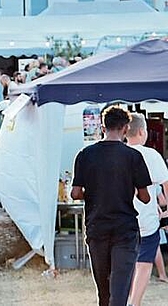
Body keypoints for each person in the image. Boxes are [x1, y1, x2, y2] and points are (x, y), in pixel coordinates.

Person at [71, 106, 151, 306]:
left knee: (103, 292)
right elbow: (145, 197)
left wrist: (93, 191)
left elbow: (75, 193)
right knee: (120, 290)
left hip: (97, 227)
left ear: (102, 127)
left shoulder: (85, 154)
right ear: (125, 128)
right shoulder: (133, 157)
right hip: (125, 229)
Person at [125, 113, 168, 306]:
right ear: (142, 132)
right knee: (143, 265)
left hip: (122, 220)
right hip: (146, 220)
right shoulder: (152, 155)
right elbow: (166, 186)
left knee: (125, 264)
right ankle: (135, 303)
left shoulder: (118, 154)